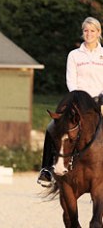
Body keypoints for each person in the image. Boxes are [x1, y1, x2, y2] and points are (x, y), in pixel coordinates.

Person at [37, 16, 103, 187]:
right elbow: (71, 80)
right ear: (83, 33)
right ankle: (47, 170)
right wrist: (78, 99)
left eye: (92, 31)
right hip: (78, 102)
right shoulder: (74, 55)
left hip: (99, 101)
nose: (89, 34)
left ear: (99, 33)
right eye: (86, 31)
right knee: (52, 127)